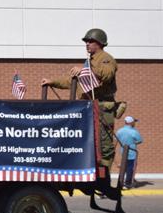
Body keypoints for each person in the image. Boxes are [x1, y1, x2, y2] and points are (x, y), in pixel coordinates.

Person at [42, 28, 118, 171]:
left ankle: (104, 175)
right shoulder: (89, 61)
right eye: (86, 42)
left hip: (102, 107)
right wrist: (53, 82)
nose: (87, 44)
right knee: (89, 140)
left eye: (90, 41)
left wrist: (84, 71)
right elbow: (73, 82)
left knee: (103, 143)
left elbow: (107, 75)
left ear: (100, 43)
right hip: (89, 108)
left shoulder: (106, 58)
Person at [116, 116, 143, 189]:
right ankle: (127, 184)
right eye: (134, 122)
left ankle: (120, 182)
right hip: (132, 153)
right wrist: (133, 143)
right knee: (130, 168)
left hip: (123, 152)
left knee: (123, 168)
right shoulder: (134, 131)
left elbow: (116, 140)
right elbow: (140, 140)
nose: (135, 123)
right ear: (131, 122)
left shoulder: (119, 131)